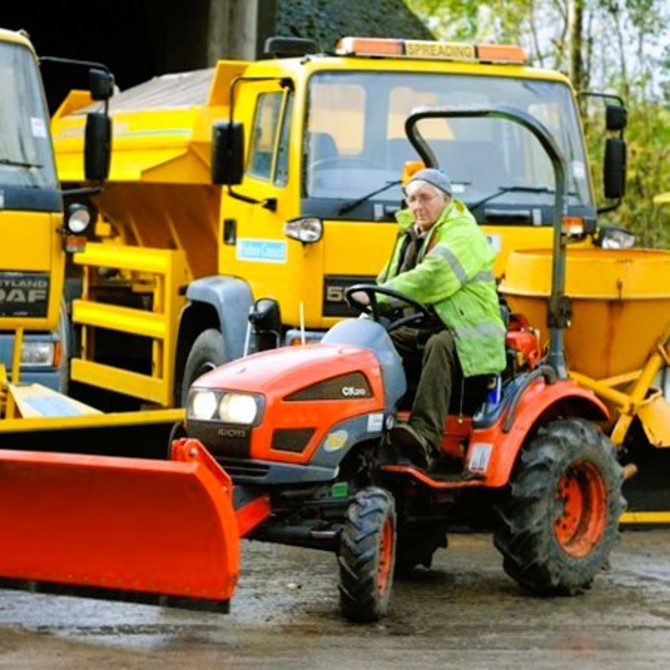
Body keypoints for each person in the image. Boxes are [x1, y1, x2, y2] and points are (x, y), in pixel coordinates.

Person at [351, 168, 506, 469]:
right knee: (373, 345)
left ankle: (424, 437)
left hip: (468, 330)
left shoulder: (463, 233)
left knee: (440, 346)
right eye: (411, 199)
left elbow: (432, 277)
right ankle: (369, 424)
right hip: (426, 323)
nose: (417, 206)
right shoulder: (410, 235)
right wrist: (363, 322)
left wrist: (380, 296)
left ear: (446, 199)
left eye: (425, 198)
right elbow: (384, 282)